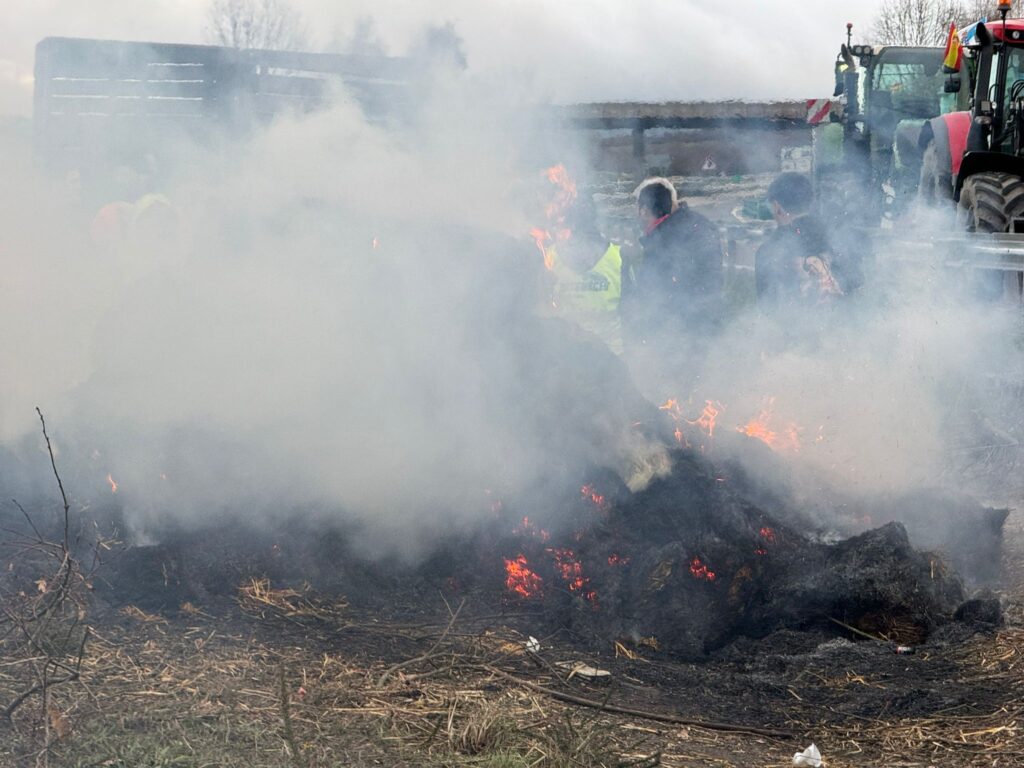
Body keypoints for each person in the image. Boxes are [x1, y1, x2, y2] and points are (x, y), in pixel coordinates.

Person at [621, 177, 724, 356]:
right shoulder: (698, 224)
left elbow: (654, 292)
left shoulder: (664, 239)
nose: (637, 215)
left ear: (645, 210)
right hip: (707, 325)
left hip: (679, 334)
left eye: (638, 209)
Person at [755, 172, 843, 308]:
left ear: (777, 207)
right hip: (844, 326)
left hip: (793, 327)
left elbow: (767, 306)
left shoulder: (767, 252)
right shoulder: (835, 238)